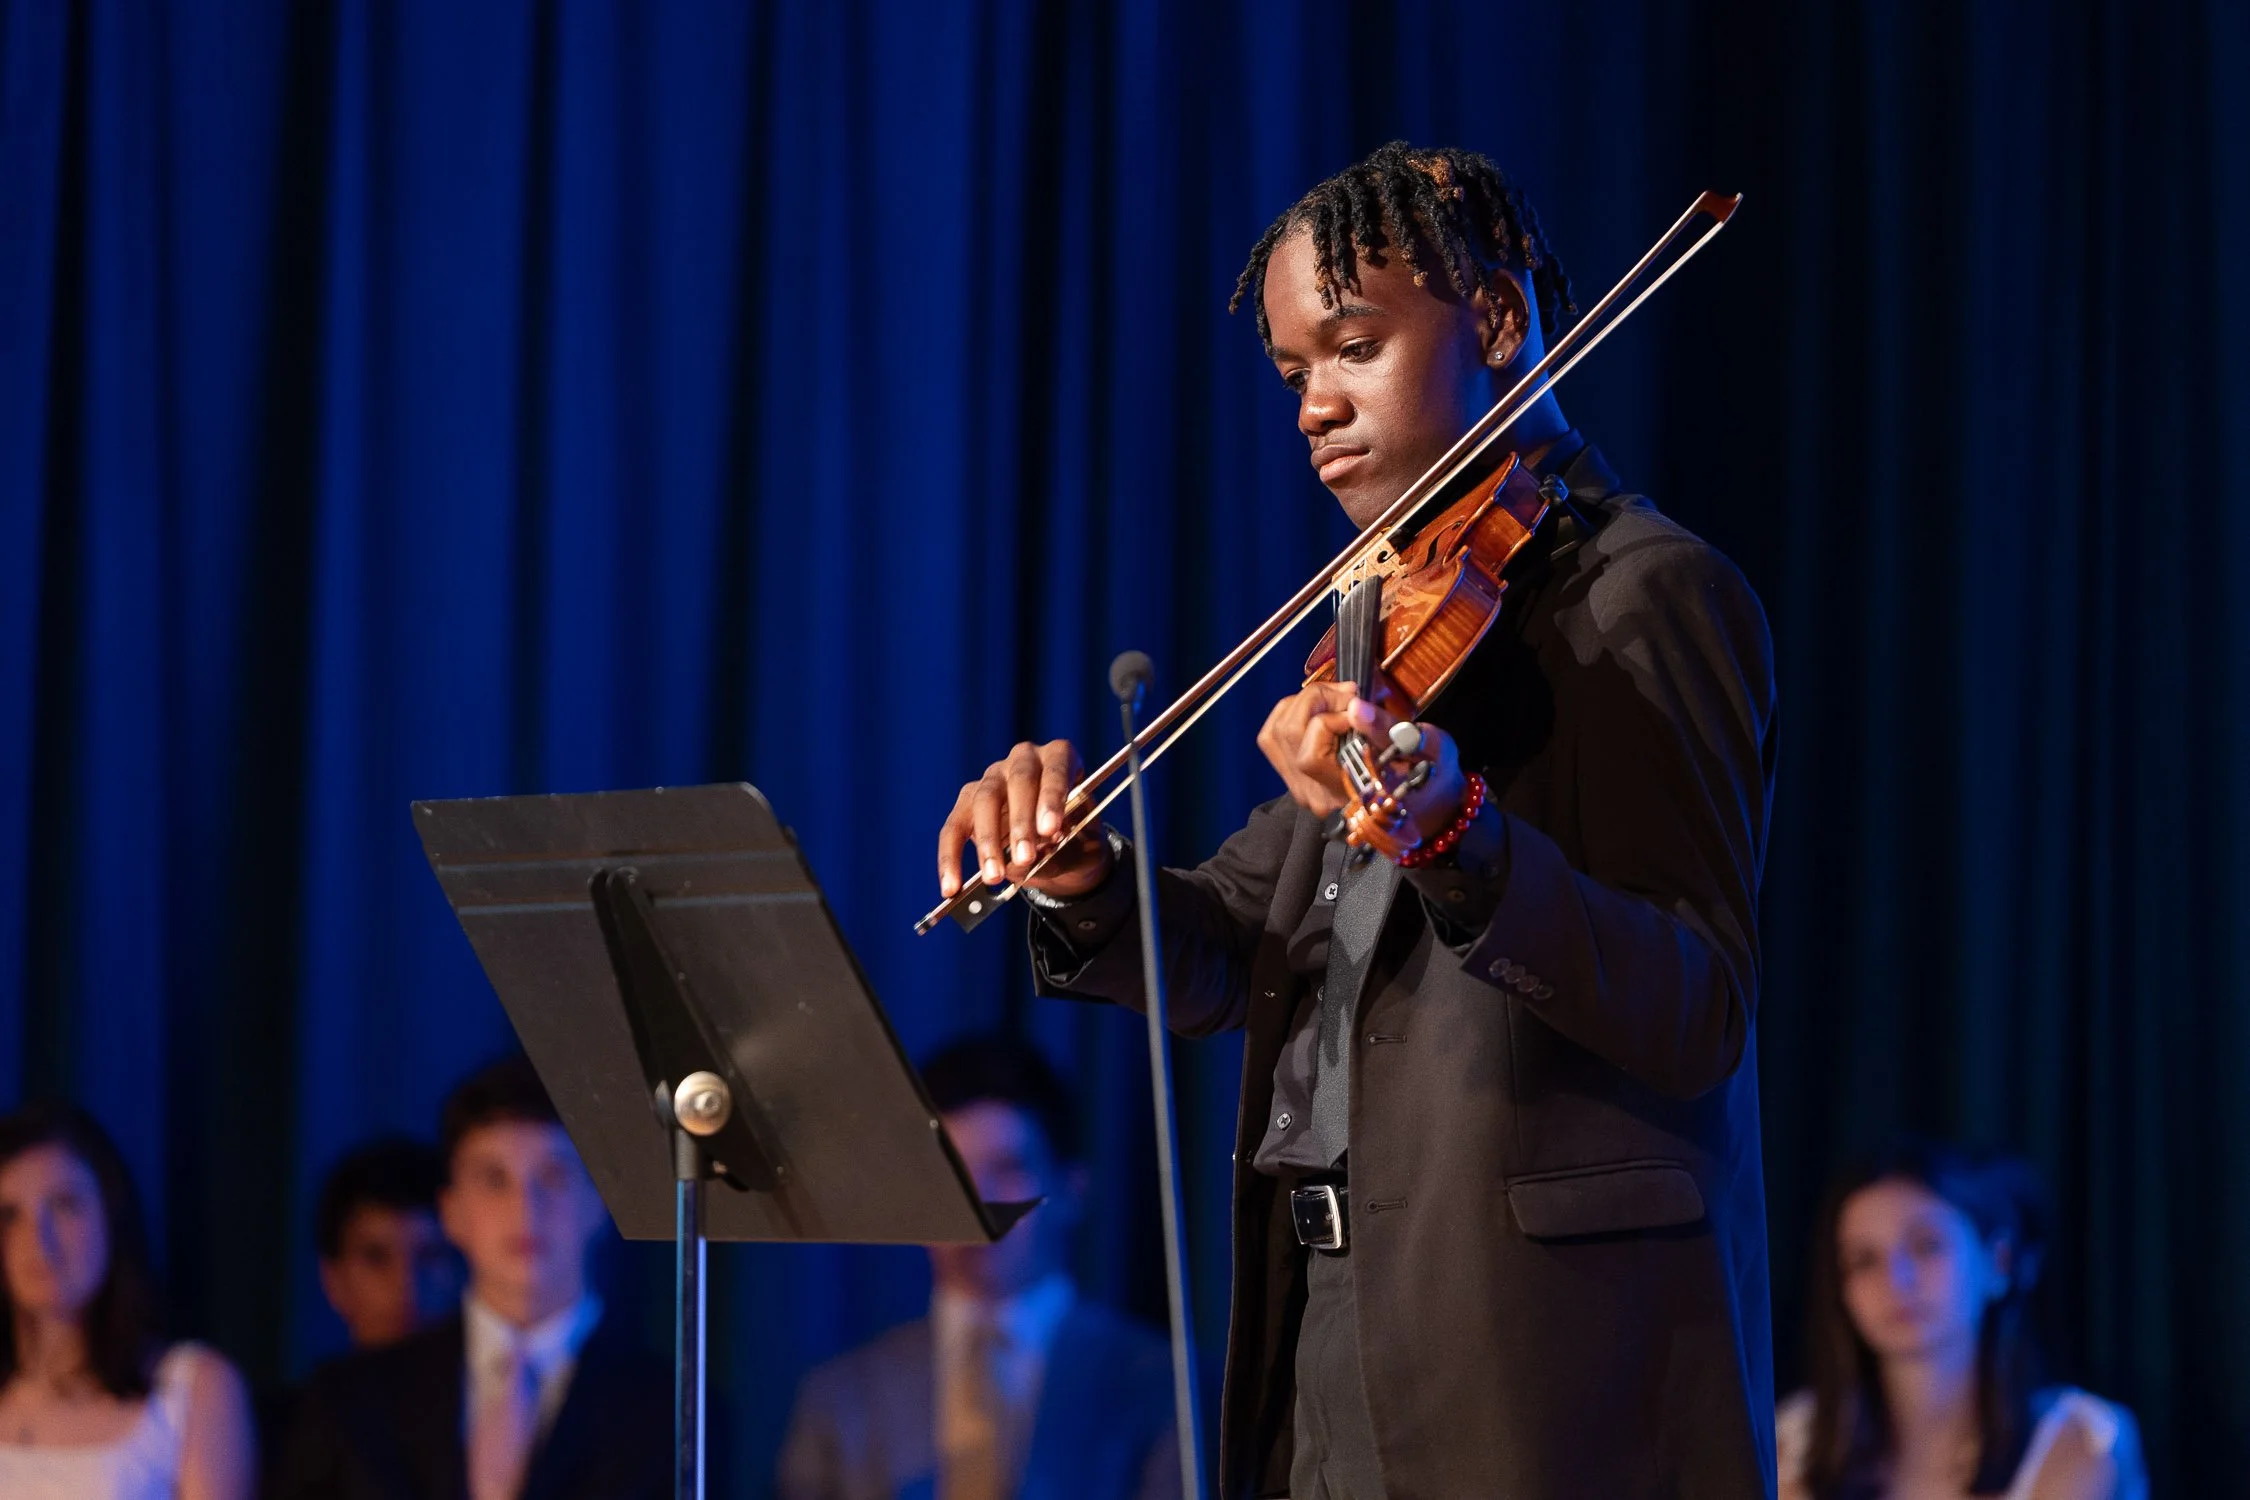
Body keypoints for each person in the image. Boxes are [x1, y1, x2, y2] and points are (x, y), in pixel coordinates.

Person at [935, 141, 1778, 1498]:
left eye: (1353, 347)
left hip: (1535, 1368)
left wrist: (1461, 839)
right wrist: (1078, 879)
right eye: (1292, 375)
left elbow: (1696, 1006)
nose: (1315, 407)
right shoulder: (1384, 622)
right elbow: (1235, 946)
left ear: (1496, 322)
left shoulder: (1642, 596)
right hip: (1323, 1321)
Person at [777, 1035, 1180, 1500]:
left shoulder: (1167, 1389)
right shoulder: (841, 1395)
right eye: (953, 1176)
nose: (978, 1203)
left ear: (1071, 1189)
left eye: (1007, 1169)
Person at [274, 1055, 668, 1500]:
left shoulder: (674, 1412)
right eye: (494, 1179)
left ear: (599, 1201)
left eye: (553, 1176)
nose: (526, 1209)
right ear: (451, 1211)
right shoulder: (352, 1398)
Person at [1777, 1140, 2147, 1500]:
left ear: (1998, 1263)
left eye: (1927, 1246)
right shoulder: (1789, 1447)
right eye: (1865, 1260)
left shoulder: (2078, 1440)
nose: (1896, 1281)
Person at [0, 1101, 256, 1500]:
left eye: (65, 1205)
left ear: (111, 1215)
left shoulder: (191, 1388)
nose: (39, 1240)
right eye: (10, 1216)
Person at [313, 1138, 459, 1351]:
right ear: (333, 1280)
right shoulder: (319, 1385)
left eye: (428, 1256)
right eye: (377, 1258)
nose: (406, 1284)